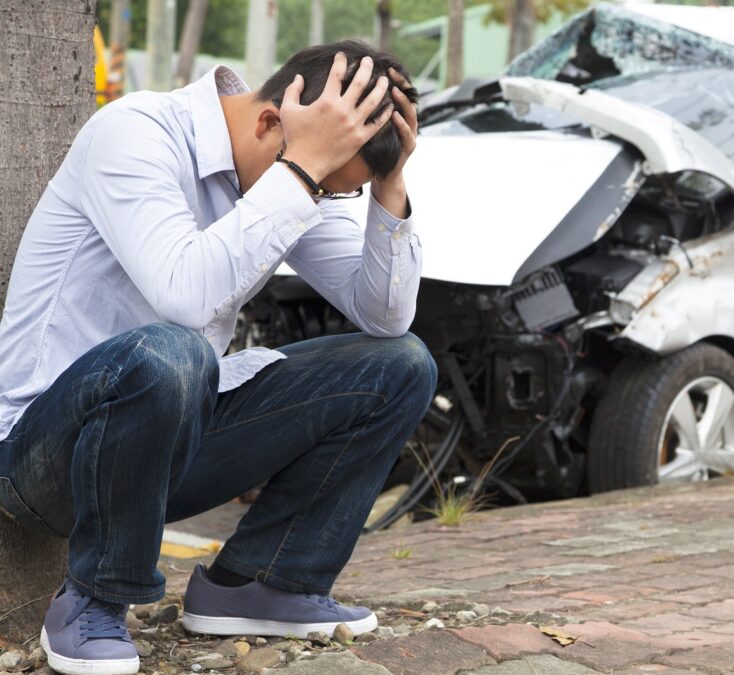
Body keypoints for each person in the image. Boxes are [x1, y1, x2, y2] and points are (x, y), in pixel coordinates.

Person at [0, 39, 435, 675]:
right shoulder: (137, 133)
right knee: (172, 352)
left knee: (400, 365)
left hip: (165, 450)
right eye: (323, 185)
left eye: (334, 190)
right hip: (43, 457)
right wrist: (303, 173)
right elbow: (185, 297)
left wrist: (388, 183)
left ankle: (261, 583)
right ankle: (95, 599)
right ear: (270, 122)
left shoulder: (293, 166)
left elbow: (386, 317)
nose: (319, 198)